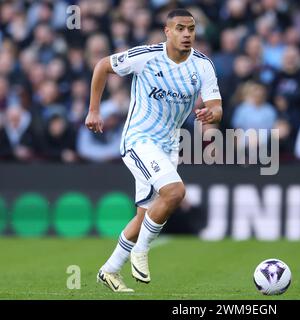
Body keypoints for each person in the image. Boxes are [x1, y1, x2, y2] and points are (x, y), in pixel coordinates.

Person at [85, 9, 222, 292]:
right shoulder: (146, 56)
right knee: (175, 192)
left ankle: (109, 270)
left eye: (191, 29)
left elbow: (217, 107)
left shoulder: (203, 65)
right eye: (180, 28)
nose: (187, 34)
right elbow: (102, 66)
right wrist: (94, 110)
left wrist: (212, 114)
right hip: (139, 139)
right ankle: (142, 250)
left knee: (144, 215)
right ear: (167, 31)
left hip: (169, 145)